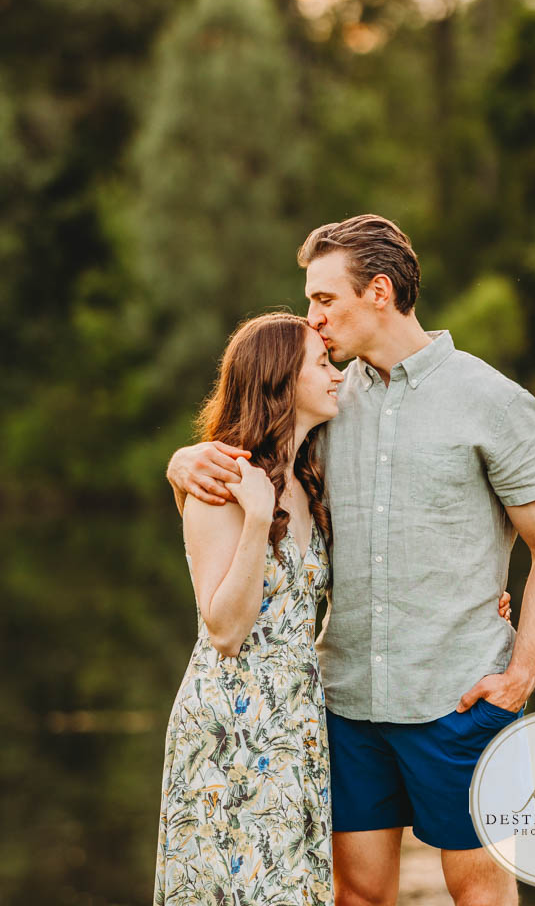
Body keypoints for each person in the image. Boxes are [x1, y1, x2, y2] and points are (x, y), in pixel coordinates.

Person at [167, 214, 535, 906]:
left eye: (324, 299)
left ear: (379, 291)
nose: (313, 318)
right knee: (357, 890)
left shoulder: (493, 403)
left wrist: (523, 671)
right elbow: (255, 458)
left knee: (478, 885)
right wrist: (182, 463)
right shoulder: (325, 399)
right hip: (345, 701)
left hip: (458, 694)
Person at [154, 312, 343, 906]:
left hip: (298, 722)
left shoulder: (311, 477)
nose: (337, 375)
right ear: (282, 382)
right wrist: (258, 519)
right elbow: (225, 629)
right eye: (322, 363)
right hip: (231, 729)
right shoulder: (221, 482)